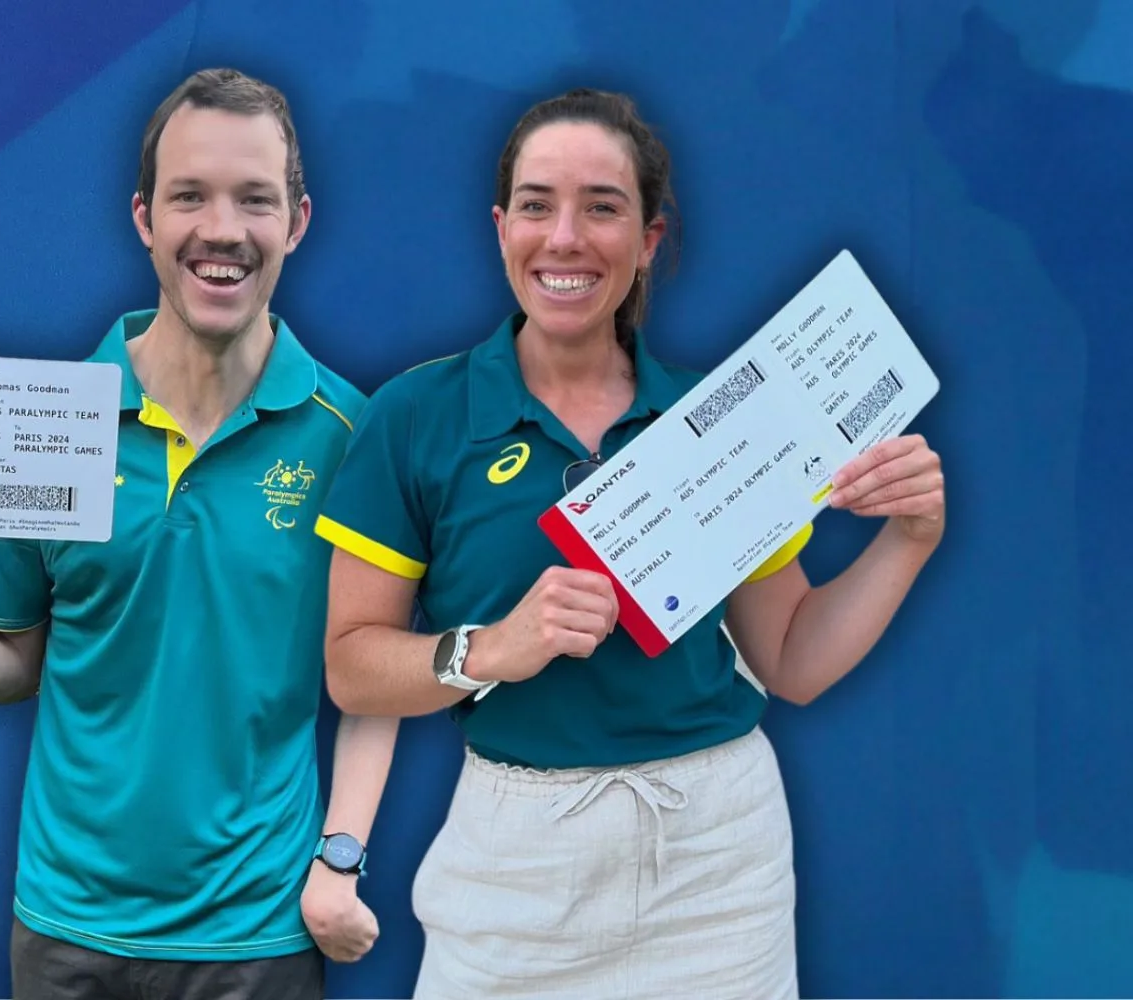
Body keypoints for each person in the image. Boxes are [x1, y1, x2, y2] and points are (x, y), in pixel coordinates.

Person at [313, 87, 947, 999]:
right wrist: (494, 649)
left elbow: (795, 658)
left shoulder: (716, 421)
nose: (564, 237)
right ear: (501, 228)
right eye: (537, 205)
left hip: (719, 860)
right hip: (515, 861)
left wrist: (908, 541)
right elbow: (352, 666)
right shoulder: (415, 418)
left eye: (602, 207)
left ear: (649, 239)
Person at [0, 68, 398, 1000]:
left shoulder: (354, 436)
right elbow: (16, 658)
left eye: (255, 199)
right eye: (190, 196)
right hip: (66, 934)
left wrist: (340, 853)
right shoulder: (50, 423)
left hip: (257, 939)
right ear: (145, 218)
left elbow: (375, 666)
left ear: (297, 221)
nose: (222, 229)